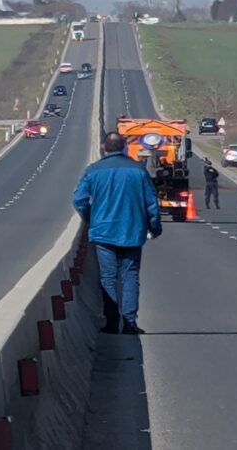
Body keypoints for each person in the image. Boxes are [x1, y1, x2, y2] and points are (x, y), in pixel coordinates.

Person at [73, 132, 161, 334]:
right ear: (124, 148)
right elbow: (151, 204)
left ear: (105, 148)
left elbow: (79, 200)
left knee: (108, 278)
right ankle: (130, 322)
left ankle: (112, 322)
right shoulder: (138, 172)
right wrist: (154, 227)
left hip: (103, 232)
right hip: (132, 231)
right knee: (130, 275)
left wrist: (90, 219)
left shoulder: (93, 171)